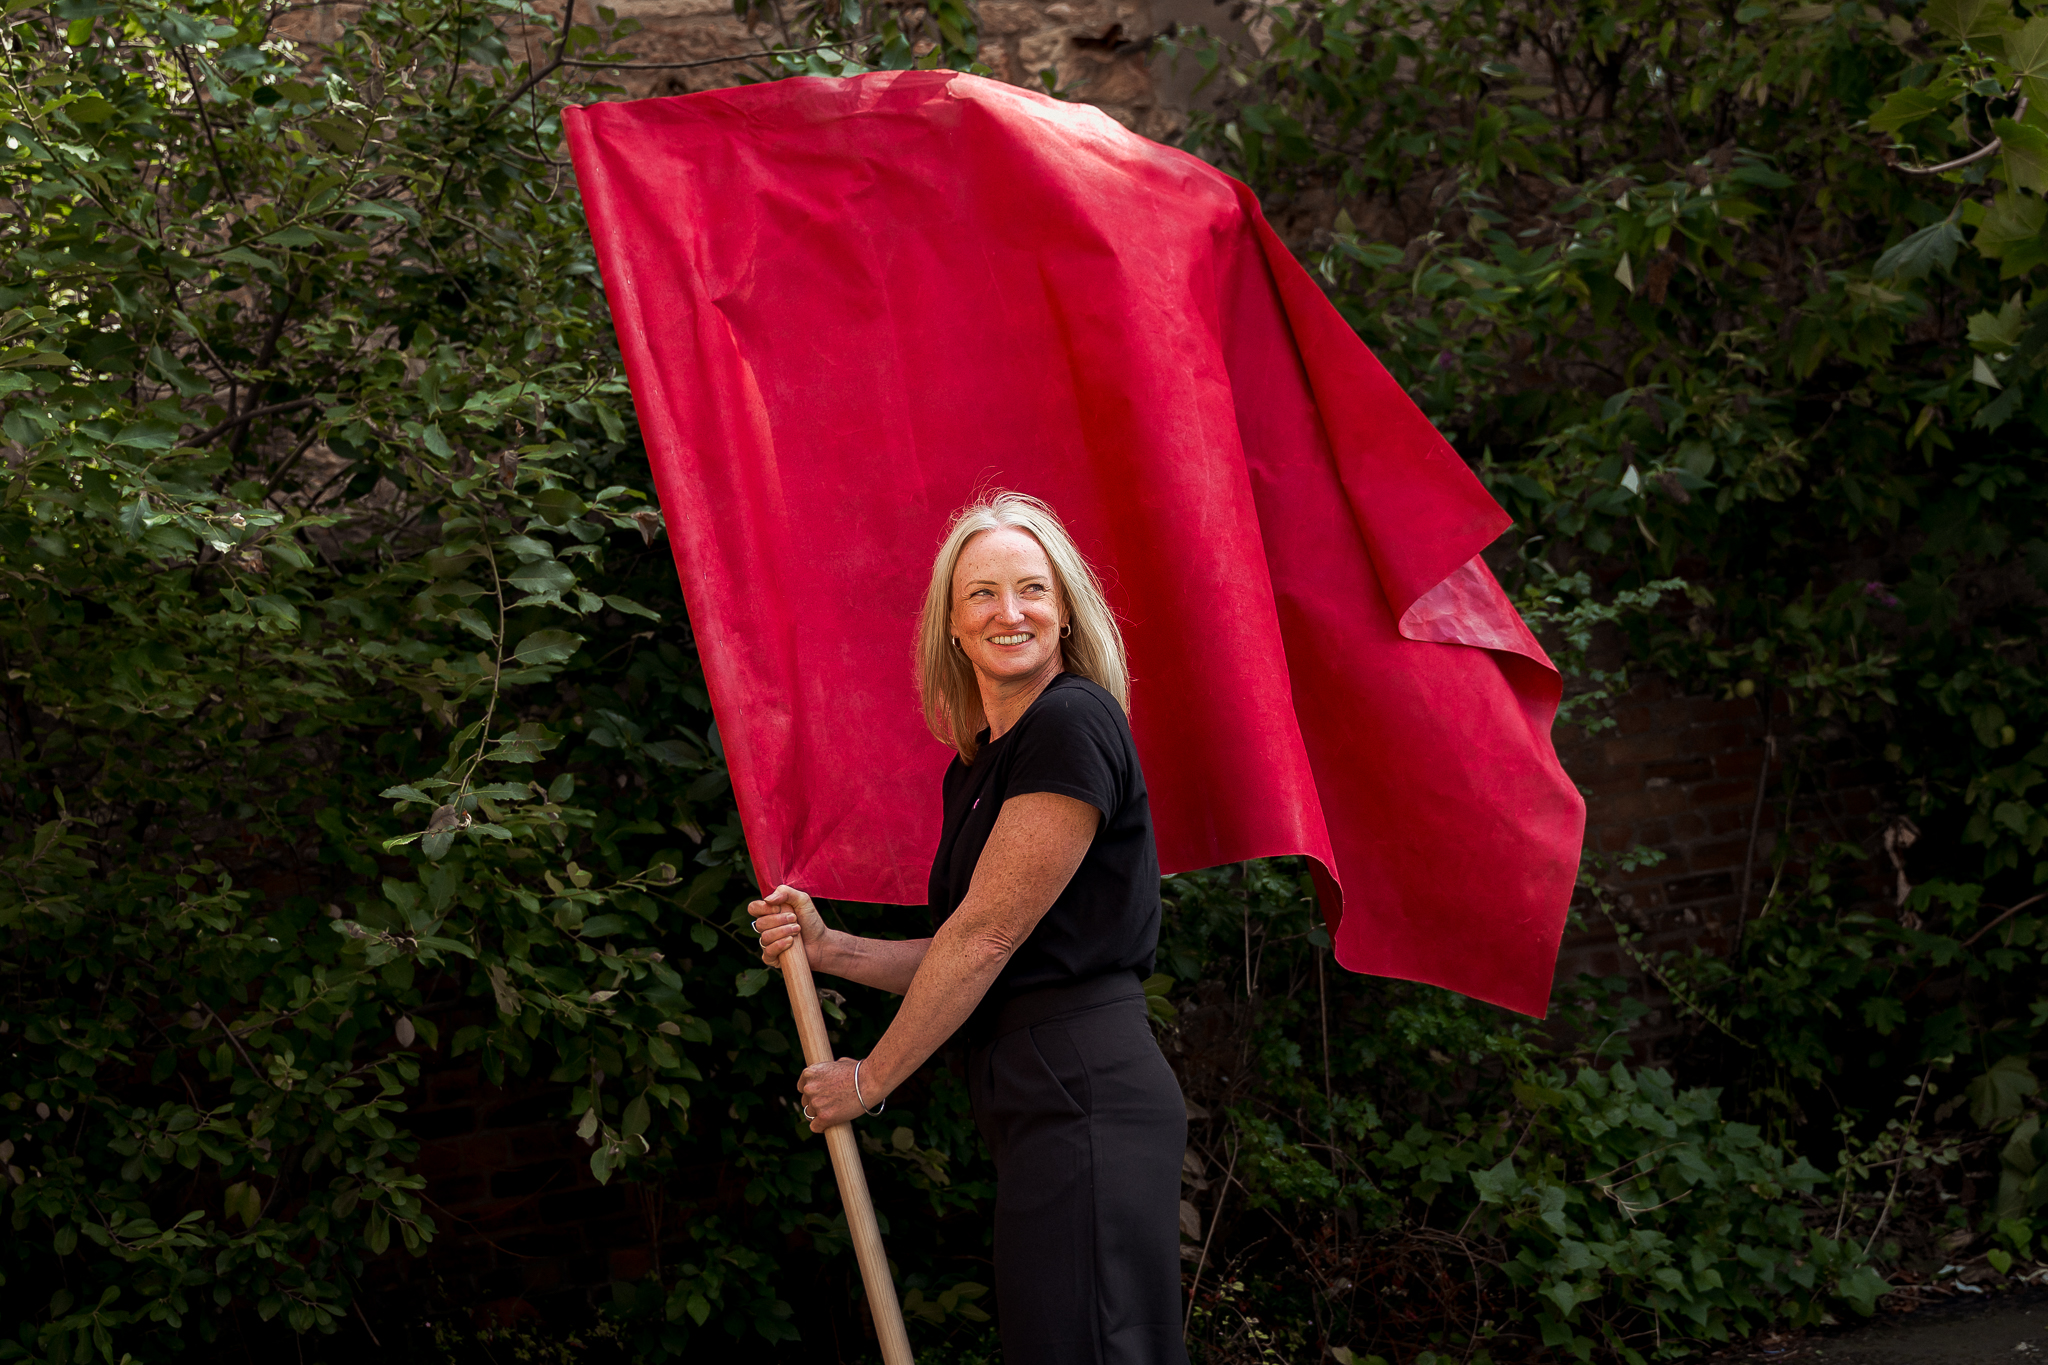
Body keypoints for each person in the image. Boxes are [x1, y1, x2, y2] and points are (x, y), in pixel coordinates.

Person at [750, 490, 1189, 1365]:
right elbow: (975, 946)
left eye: (1032, 588)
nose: (1009, 611)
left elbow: (983, 939)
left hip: (1083, 1090)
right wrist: (831, 948)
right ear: (951, 625)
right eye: (981, 593)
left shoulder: (1071, 721)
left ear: (1065, 611)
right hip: (1039, 1102)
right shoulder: (983, 767)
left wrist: (868, 1079)